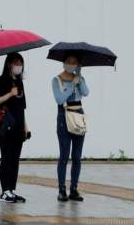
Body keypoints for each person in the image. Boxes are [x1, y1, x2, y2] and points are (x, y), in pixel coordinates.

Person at [0, 52, 30, 203]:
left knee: (15, 159)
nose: (18, 66)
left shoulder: (20, 83)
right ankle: (4, 190)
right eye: (15, 63)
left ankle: (12, 189)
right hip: (5, 126)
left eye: (20, 63)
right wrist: (9, 94)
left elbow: (23, 107)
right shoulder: (0, 81)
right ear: (9, 64)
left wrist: (26, 127)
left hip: (18, 126)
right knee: (6, 157)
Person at [51, 54, 89, 202]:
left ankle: (74, 189)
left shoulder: (79, 78)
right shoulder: (57, 80)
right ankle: (62, 190)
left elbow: (86, 93)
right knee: (64, 155)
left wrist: (79, 78)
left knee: (77, 156)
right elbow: (59, 99)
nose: (71, 65)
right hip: (64, 117)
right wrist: (72, 84)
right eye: (69, 62)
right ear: (63, 62)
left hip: (79, 115)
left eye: (75, 62)